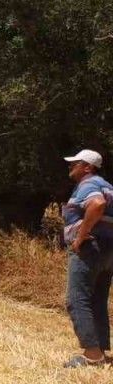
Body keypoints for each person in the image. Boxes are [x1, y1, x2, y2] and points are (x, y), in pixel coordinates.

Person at [61, 149, 113, 368]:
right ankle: (100, 351)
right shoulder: (108, 186)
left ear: (88, 167)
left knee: (77, 299)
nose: (71, 166)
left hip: (89, 249)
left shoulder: (88, 184)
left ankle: (92, 355)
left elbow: (97, 204)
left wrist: (80, 236)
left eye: (75, 163)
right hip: (107, 250)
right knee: (97, 300)